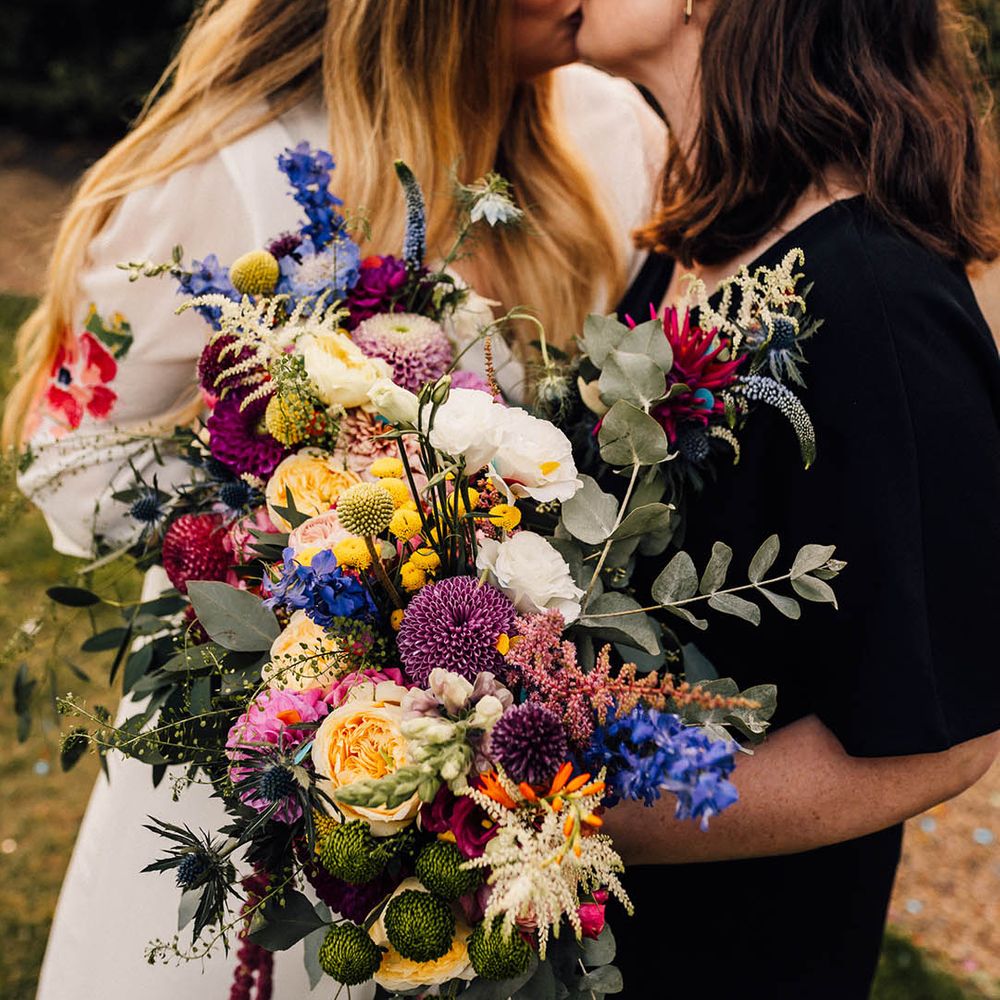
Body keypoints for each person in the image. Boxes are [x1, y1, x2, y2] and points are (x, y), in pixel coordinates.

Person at [5, 2, 665, 996]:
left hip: (502, 792)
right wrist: (302, 539)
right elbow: (67, 467)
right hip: (271, 768)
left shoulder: (613, 129)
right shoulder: (224, 168)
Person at [576, 1, 1000, 996]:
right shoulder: (690, 250)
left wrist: (569, 815)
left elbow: (938, 740)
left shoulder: (875, 301)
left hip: (733, 956)